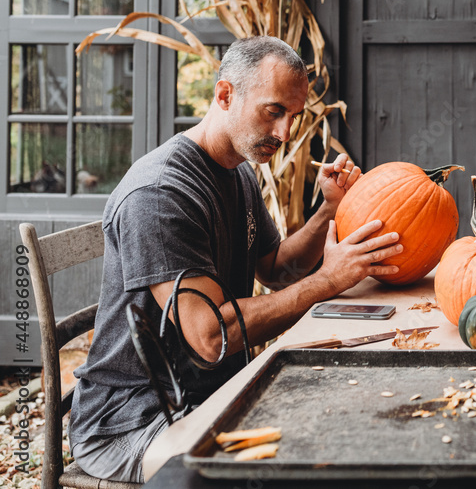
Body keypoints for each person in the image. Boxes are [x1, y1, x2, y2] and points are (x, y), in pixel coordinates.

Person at [68, 36, 402, 482]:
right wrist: (330, 280)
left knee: (348, 423)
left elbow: (277, 269)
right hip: (136, 420)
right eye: (273, 111)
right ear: (225, 95)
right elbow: (211, 337)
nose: (284, 134)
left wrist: (328, 210)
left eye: (293, 117)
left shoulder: (237, 172)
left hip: (212, 393)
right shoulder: (161, 194)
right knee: (301, 464)